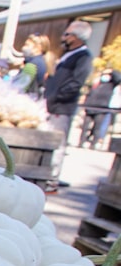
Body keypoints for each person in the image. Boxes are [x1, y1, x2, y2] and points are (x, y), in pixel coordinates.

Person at [45, 20, 95, 190]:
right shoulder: (67, 54)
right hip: (52, 104)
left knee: (57, 142)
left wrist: (56, 97)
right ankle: (47, 174)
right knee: (49, 140)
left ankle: (52, 179)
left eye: (67, 34)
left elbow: (75, 83)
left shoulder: (83, 57)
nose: (63, 37)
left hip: (61, 107)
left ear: (76, 37)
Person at [80, 68, 121, 150]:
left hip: (102, 107)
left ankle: (93, 144)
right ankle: (81, 142)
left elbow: (118, 78)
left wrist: (111, 71)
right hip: (90, 106)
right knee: (85, 125)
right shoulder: (97, 82)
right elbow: (89, 93)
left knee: (97, 127)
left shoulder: (111, 83)